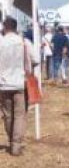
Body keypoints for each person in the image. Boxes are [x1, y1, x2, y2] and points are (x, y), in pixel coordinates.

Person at [0, 17, 38, 155]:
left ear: (4, 27)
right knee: (20, 115)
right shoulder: (23, 42)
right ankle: (16, 144)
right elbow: (35, 60)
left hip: (3, 84)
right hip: (19, 82)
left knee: (8, 114)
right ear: (16, 27)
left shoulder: (1, 42)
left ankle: (11, 140)